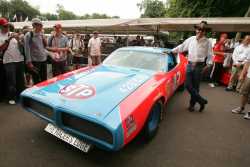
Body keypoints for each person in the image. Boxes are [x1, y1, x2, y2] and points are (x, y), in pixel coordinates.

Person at [172, 21, 212, 112]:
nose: (200, 31)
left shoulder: (208, 42)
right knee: (187, 85)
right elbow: (181, 47)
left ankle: (192, 105)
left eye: (202, 30)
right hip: (189, 65)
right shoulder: (191, 39)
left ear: (205, 31)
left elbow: (210, 55)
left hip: (199, 66)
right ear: (196, 29)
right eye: (198, 29)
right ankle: (201, 101)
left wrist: (208, 64)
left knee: (196, 87)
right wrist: (171, 51)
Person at [0, 19, 25, 104]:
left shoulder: (12, 33)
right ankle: (11, 98)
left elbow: (21, 46)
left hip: (19, 60)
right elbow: (1, 48)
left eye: (8, 26)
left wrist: (18, 39)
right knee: (11, 81)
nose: (7, 27)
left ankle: (20, 96)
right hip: (8, 61)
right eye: (5, 26)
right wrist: (9, 39)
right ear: (1, 26)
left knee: (20, 80)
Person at [24, 18, 48, 84]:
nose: (41, 27)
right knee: (36, 79)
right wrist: (29, 62)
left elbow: (45, 46)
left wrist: (44, 38)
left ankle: (44, 92)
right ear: (34, 25)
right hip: (35, 61)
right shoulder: (29, 35)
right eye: (40, 25)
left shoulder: (41, 34)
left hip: (43, 59)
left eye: (41, 25)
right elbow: (27, 49)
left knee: (44, 79)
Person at [231, 45, 250, 119]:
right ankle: (241, 108)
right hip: (249, 75)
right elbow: (247, 62)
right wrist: (242, 74)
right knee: (244, 92)